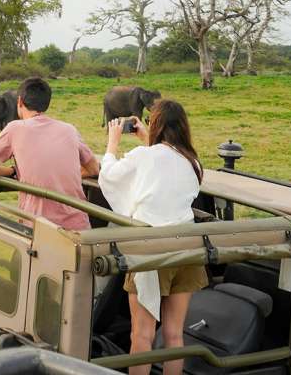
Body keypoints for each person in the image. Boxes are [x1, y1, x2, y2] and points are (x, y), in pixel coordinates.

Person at [96, 99, 205, 375]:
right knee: (174, 335)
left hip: (152, 251)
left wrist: (113, 142)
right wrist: (148, 139)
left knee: (141, 336)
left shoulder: (144, 156)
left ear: (155, 124)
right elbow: (163, 168)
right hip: (188, 249)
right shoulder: (194, 162)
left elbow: (108, 176)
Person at [0, 76, 100, 231]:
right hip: (79, 226)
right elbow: (94, 169)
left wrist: (11, 171)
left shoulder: (14, 128)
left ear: (19, 102)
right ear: (46, 104)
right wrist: (60, 177)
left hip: (39, 229)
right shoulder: (69, 129)